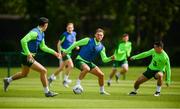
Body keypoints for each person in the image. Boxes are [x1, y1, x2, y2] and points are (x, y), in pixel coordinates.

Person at [3, 17, 60, 97]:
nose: (47, 26)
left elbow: (43, 47)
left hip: (25, 56)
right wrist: (28, 53)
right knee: (43, 71)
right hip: (26, 57)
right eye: (47, 25)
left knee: (24, 74)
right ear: (45, 25)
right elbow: (23, 41)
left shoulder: (41, 33)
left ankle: (8, 80)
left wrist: (54, 53)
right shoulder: (35, 33)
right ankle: (47, 92)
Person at [63, 28, 114, 95]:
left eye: (101, 35)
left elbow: (104, 60)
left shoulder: (102, 47)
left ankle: (102, 91)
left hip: (89, 63)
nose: (99, 36)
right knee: (86, 68)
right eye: (98, 35)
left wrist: (111, 58)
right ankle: (77, 85)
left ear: (103, 36)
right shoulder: (88, 40)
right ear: (95, 35)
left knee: (101, 75)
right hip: (79, 60)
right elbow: (76, 44)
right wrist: (66, 51)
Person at [48, 23, 79, 87]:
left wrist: (76, 46)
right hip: (64, 52)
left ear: (73, 28)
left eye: (71, 28)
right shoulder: (64, 35)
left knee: (61, 68)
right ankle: (65, 80)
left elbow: (74, 41)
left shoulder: (74, 33)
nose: (70, 29)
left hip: (69, 53)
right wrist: (59, 53)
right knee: (71, 65)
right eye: (68, 27)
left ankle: (51, 78)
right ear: (66, 28)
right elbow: (58, 44)